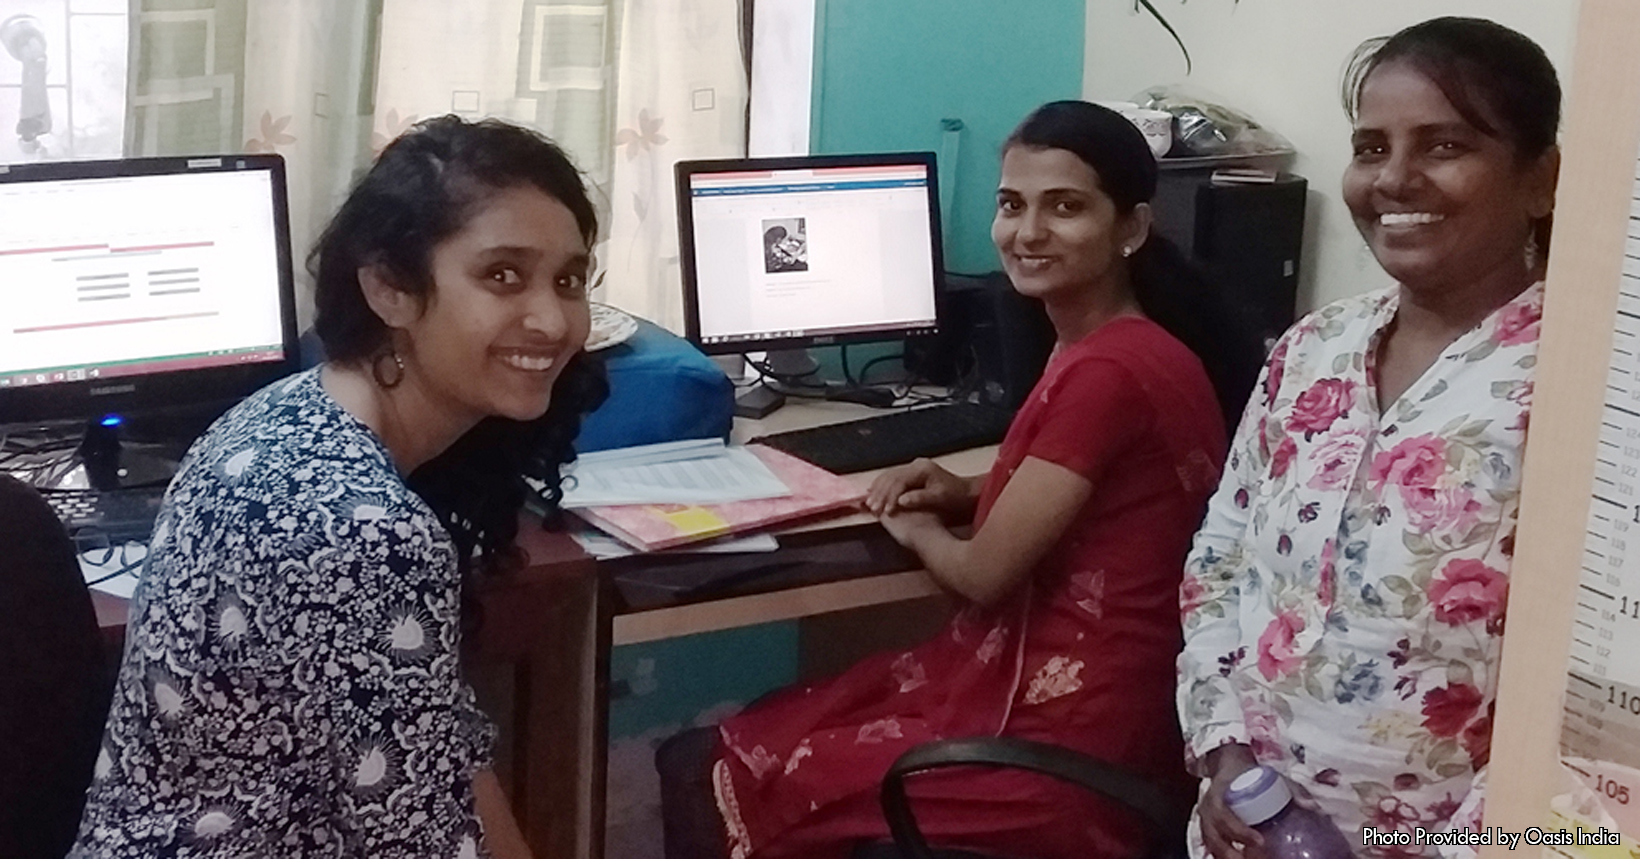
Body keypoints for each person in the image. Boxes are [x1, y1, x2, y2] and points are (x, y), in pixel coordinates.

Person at [657, 100, 1261, 859]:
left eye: (1064, 207)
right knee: (785, 723)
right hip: (1115, 703)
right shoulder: (1128, 344)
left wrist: (907, 519)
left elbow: (983, 573)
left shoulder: (1107, 369)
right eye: (1011, 205)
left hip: (1066, 741)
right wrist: (970, 491)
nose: (1026, 231)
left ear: (1132, 228)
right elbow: (1106, 496)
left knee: (723, 764)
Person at [72, 116, 609, 858]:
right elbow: (423, 841)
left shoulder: (288, 411)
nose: (553, 319)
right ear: (390, 289)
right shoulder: (362, 529)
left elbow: (438, 745)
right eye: (502, 275)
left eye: (569, 279)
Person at [1177, 17, 1560, 859]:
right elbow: (1222, 557)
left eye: (1445, 144)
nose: (1394, 178)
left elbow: (1592, 708)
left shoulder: (1580, 388)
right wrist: (1223, 753)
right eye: (1370, 146)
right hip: (1247, 830)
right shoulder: (1312, 349)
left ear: (1541, 179)